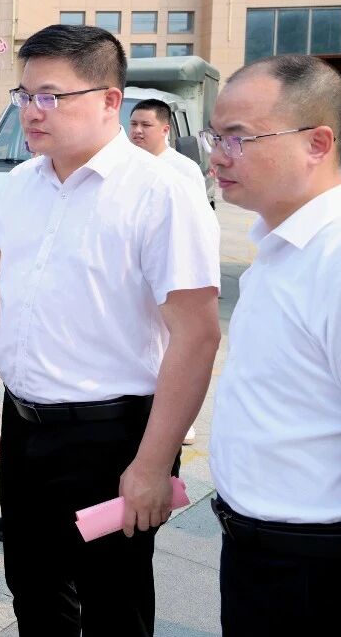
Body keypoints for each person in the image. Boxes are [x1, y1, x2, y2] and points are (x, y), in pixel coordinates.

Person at [0, 25, 222, 636]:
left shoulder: (161, 192)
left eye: (50, 96)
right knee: (33, 588)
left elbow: (196, 336)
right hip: (25, 429)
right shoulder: (21, 185)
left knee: (113, 600)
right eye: (24, 95)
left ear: (111, 99)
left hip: (110, 438)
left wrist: (153, 464)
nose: (32, 111)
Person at [205, 54, 341, 636]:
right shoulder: (283, 248)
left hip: (321, 570)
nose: (218, 155)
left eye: (238, 138)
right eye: (215, 136)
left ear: (317, 143)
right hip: (261, 558)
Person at [129, 97, 213, 446]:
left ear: (165, 129)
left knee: (172, 342)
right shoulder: (127, 165)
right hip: (136, 270)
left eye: (145, 125)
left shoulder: (183, 169)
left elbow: (197, 226)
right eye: (133, 124)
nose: (137, 131)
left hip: (171, 269)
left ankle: (180, 420)